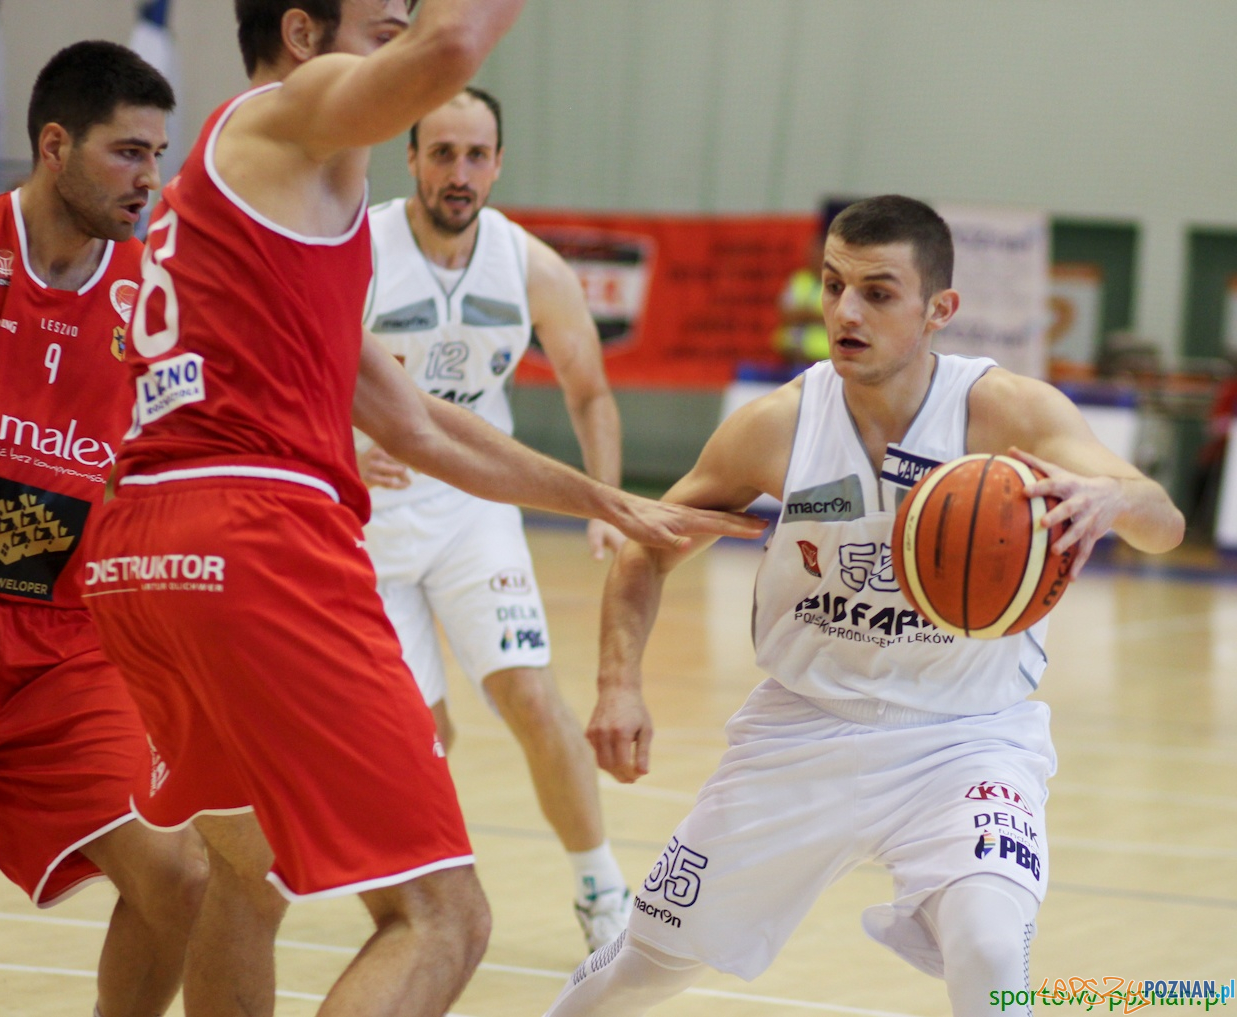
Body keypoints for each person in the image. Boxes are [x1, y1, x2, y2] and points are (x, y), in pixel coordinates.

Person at [79, 4, 764, 1017]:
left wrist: (608, 498)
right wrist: (440, 37)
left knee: (245, 874)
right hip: (256, 537)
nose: (405, 53)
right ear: (304, 33)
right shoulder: (291, 108)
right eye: (384, 28)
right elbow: (454, 48)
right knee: (444, 918)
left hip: (142, 554)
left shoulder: (257, 204)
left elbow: (419, 426)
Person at [543, 195, 1185, 1017]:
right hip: (801, 728)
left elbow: (1162, 517)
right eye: (833, 284)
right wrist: (618, 683)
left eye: (878, 292)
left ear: (939, 310)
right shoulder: (778, 427)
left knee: (989, 948)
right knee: (647, 964)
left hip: (965, 737)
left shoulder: (1004, 414)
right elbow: (648, 544)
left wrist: (1109, 499)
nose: (846, 311)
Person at [0, 41, 207, 1017]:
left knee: (176, 877)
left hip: (59, 648)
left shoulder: (155, 294)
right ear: (53, 144)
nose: (150, 178)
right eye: (127, 152)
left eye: (158, 154)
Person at [358, 86, 631, 951]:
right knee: (416, 731)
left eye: (476, 155)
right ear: (410, 160)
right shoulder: (356, 248)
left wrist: (608, 504)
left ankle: (603, 892)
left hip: (472, 505)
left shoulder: (531, 267)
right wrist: (338, 442)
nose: (459, 172)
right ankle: (422, 892)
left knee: (532, 695)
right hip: (364, 521)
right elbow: (283, 367)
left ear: (499, 163)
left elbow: (590, 391)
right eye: (442, 153)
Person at [771, 229, 829, 364]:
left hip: (823, 358)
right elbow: (784, 313)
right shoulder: (798, 279)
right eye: (811, 253)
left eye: (818, 254)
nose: (813, 257)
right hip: (790, 356)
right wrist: (812, 315)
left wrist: (806, 315)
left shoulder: (838, 283)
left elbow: (834, 320)